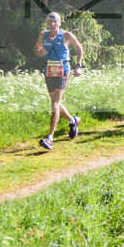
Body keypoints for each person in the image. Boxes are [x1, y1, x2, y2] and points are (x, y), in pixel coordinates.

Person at [34, 12, 84, 150]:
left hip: (63, 71)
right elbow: (36, 49)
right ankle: (73, 120)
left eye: (54, 21)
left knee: (55, 104)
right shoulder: (43, 35)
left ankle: (50, 138)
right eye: (49, 21)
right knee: (55, 104)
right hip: (48, 71)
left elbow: (79, 48)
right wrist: (39, 52)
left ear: (59, 23)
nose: (52, 24)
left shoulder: (66, 35)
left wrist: (78, 66)